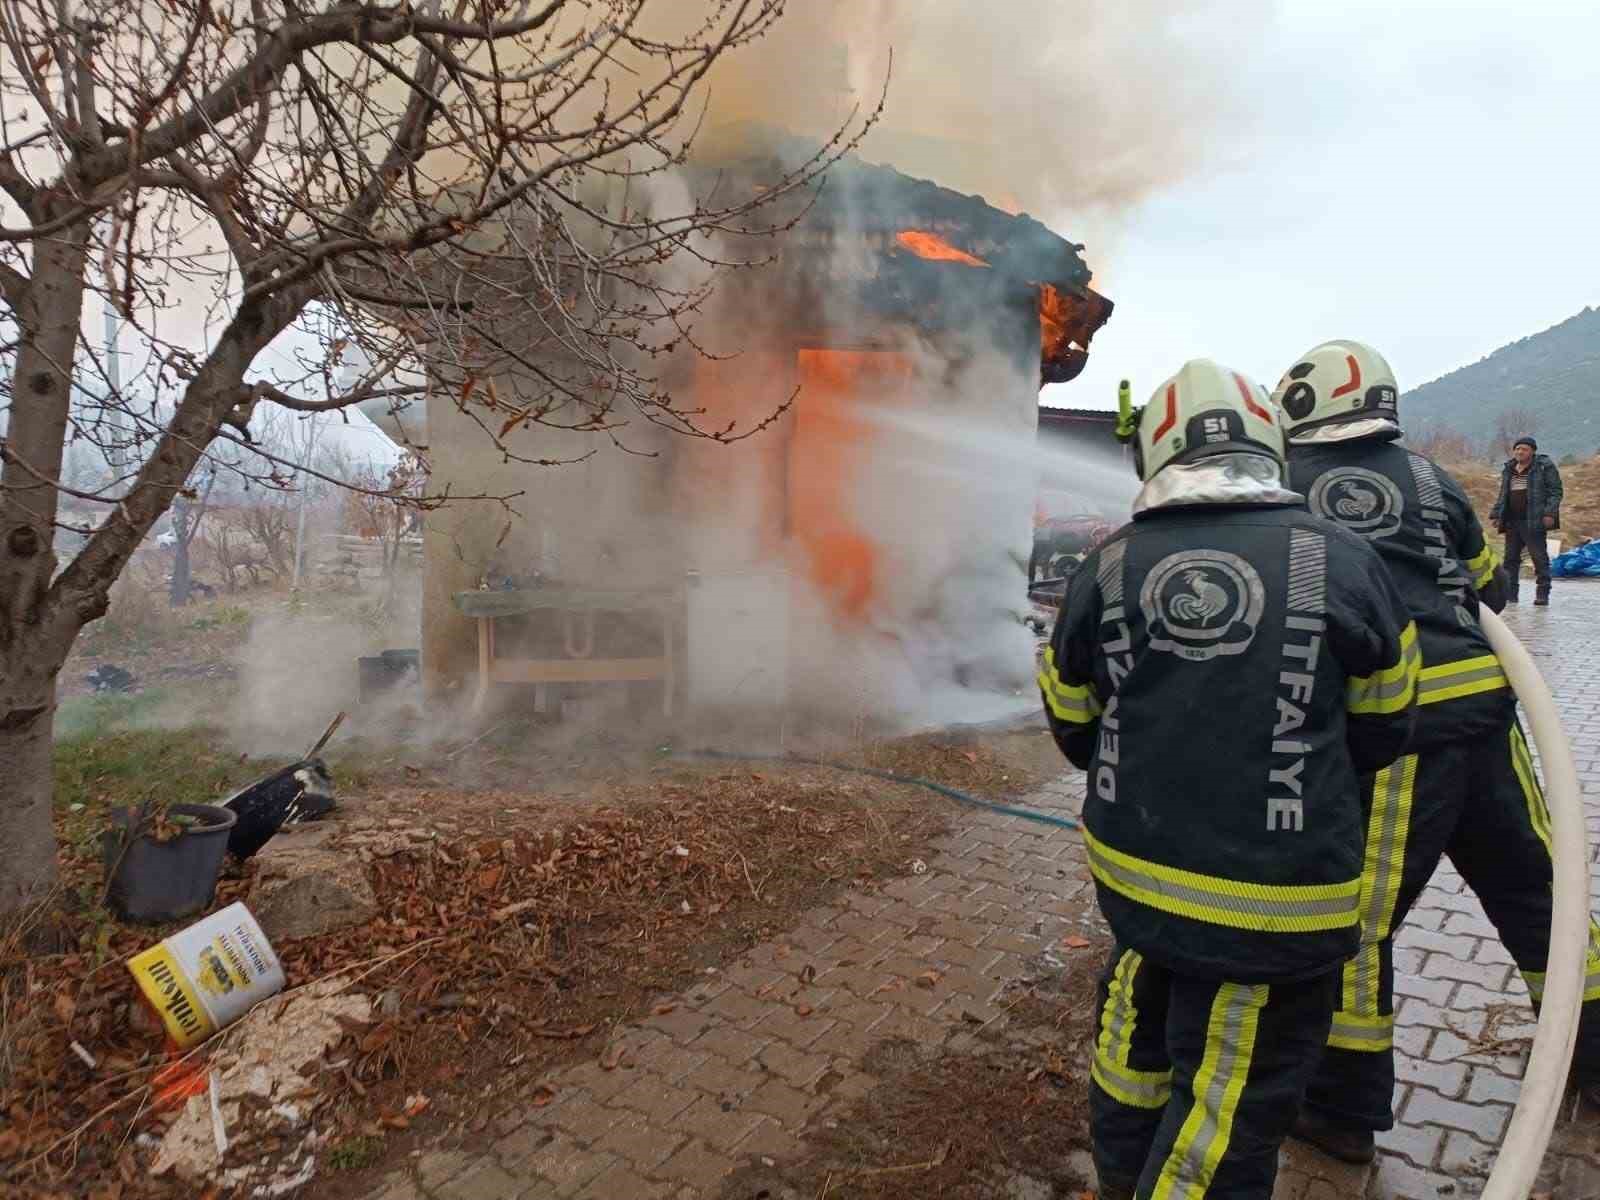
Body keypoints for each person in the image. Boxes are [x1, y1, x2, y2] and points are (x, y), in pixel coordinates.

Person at [1041, 359, 1417, 1200]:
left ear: (1155, 449)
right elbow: (1388, 722)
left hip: (1139, 888)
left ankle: (1120, 1179)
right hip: (1277, 906)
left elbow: (1070, 719)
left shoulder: (1107, 566)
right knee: (1228, 1107)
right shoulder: (1347, 561)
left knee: (1134, 1047)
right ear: (1273, 443)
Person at [1272, 340, 1600, 1165]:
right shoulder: (1429, 478)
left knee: (1359, 921)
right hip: (1488, 716)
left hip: (1399, 733)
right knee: (1540, 891)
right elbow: (1489, 585)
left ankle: (1342, 1107)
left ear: (1304, 405)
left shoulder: (1287, 483)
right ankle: (1593, 1055)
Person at [1490, 435, 1564, 606]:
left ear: (1532, 451)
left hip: (1534, 520)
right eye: (1517, 448)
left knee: (1539, 558)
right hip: (1512, 521)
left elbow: (1556, 491)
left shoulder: (1543, 466)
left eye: (1524, 449)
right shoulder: (1509, 468)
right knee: (1510, 559)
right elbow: (1503, 494)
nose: (1520, 452)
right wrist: (1496, 514)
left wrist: (1549, 513)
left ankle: (1542, 594)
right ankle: (1510, 595)